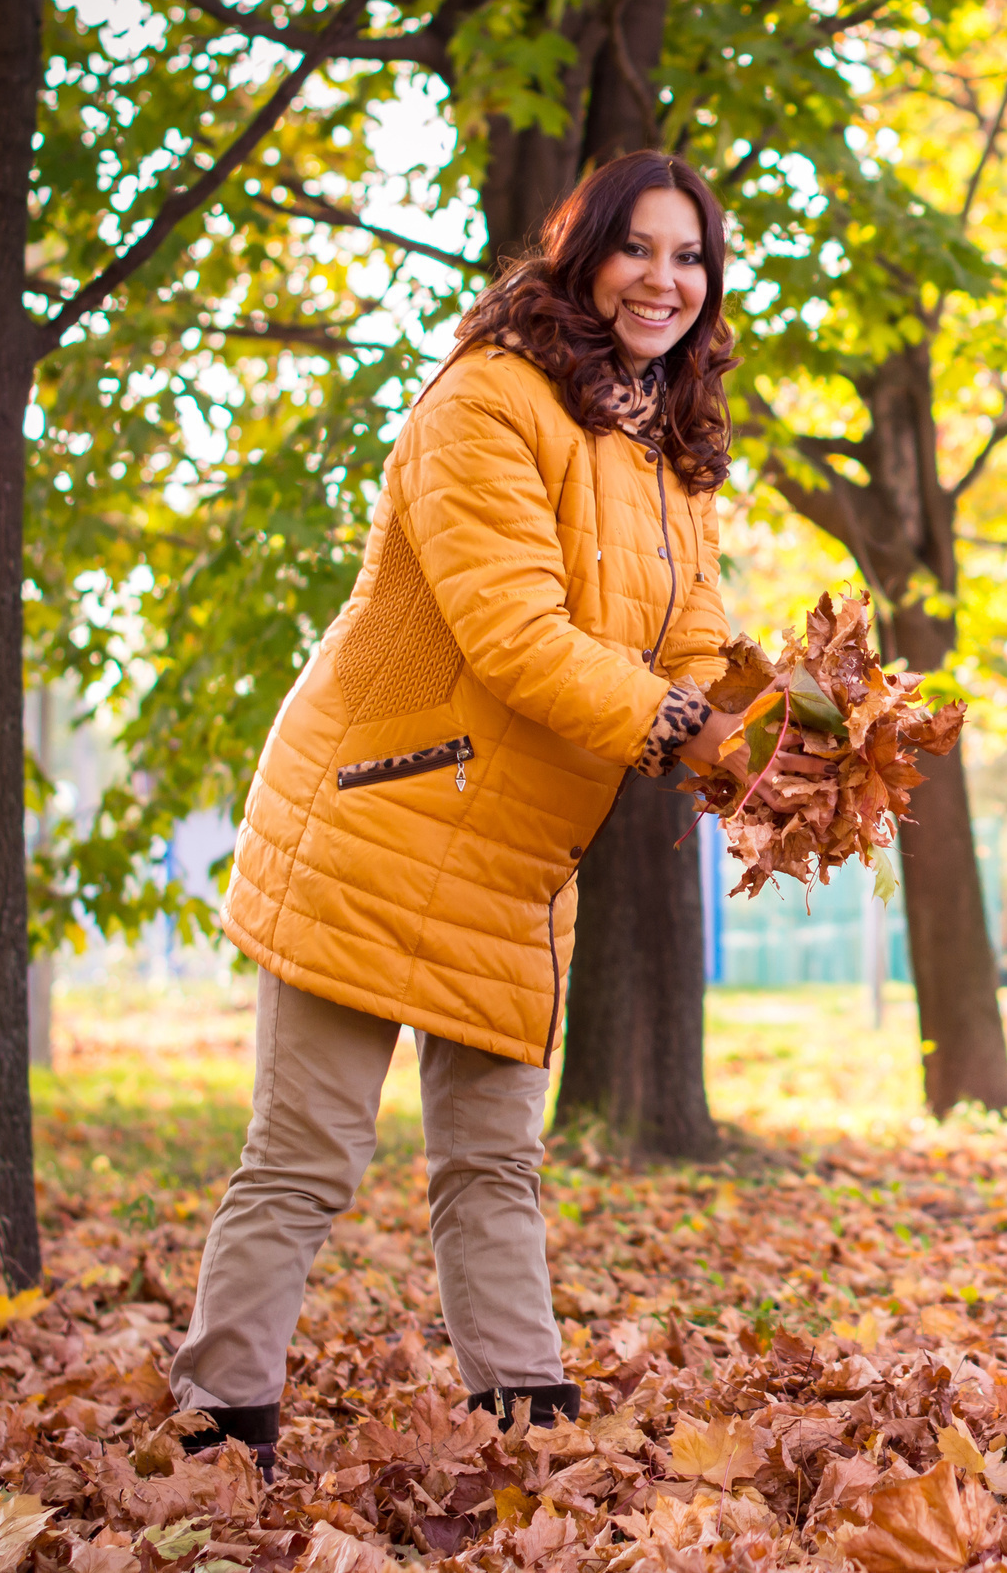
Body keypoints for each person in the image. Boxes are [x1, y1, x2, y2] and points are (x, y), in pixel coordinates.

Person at [175, 151, 758, 1470]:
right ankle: (216, 1427)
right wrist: (684, 730)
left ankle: (528, 1429)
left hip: (512, 853)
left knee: (495, 1162)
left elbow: (693, 645)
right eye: (638, 248)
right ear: (581, 254)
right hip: (377, 812)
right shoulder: (487, 399)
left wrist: (768, 744)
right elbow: (514, 636)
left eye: (690, 257)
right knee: (305, 1153)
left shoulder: (671, 451)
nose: (663, 279)